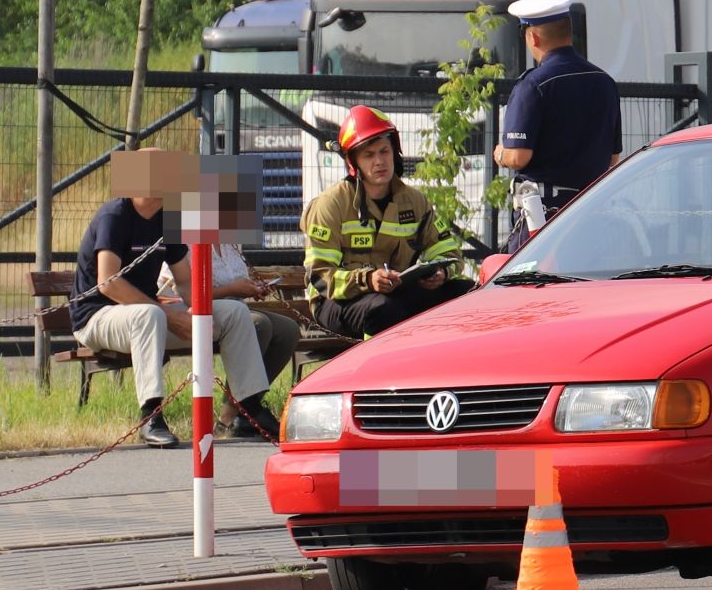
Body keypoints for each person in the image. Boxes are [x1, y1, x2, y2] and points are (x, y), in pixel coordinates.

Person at [69, 183, 281, 449]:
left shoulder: (168, 220)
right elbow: (108, 284)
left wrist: (198, 311)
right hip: (97, 318)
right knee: (149, 315)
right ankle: (151, 417)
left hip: (149, 317)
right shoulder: (114, 216)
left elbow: (185, 282)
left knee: (235, 312)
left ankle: (249, 410)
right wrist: (172, 316)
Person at [301, 105, 473, 339]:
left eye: (384, 151)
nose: (380, 161)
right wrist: (368, 280)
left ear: (395, 152)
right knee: (384, 310)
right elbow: (321, 278)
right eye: (369, 155)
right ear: (354, 162)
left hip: (394, 294)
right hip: (336, 301)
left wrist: (442, 272)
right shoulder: (330, 205)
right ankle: (380, 371)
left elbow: (449, 254)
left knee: (467, 292)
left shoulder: (415, 201)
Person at [491, 0, 622, 252]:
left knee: (532, 289)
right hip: (589, 214)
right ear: (568, 32)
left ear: (533, 37)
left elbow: (518, 157)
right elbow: (613, 158)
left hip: (542, 220)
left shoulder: (533, 85)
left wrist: (500, 154)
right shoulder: (604, 81)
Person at [159, 242, 299, 439]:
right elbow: (185, 293)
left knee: (288, 329)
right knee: (260, 324)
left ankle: (245, 411)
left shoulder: (231, 244)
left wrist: (253, 288)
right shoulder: (187, 241)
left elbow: (238, 283)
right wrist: (232, 289)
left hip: (236, 310)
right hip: (193, 311)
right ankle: (230, 418)